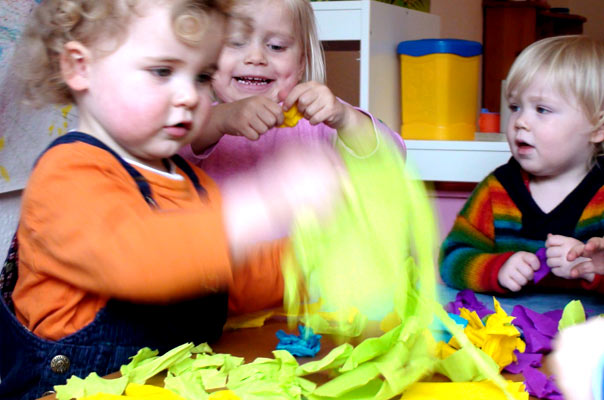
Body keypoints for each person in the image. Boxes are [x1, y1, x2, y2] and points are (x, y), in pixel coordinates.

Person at [0, 1, 343, 399]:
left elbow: (234, 277)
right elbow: (138, 256)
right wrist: (263, 204)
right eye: (162, 71)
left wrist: (314, 266)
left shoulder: (192, 182)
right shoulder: (66, 174)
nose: (190, 96)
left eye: (201, 76)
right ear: (81, 67)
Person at [439, 35, 604, 294]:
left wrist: (593, 266)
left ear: (598, 128)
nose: (520, 121)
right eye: (515, 107)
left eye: (542, 109)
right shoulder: (497, 190)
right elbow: (451, 260)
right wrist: (497, 269)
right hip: (506, 330)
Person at [178, 0, 405, 184]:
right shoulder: (199, 121)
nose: (256, 58)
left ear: (301, 63)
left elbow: (393, 158)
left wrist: (345, 118)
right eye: (236, 42)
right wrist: (222, 119)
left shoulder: (319, 117)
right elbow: (171, 151)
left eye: (276, 46)